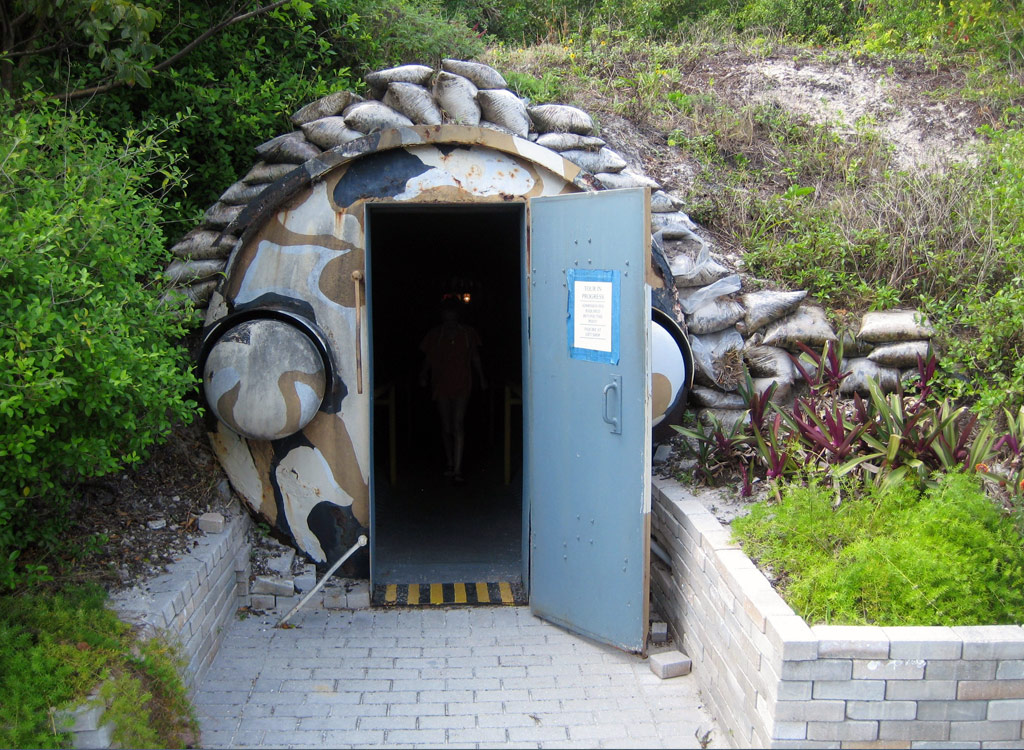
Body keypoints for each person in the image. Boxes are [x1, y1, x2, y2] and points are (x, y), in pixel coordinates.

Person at [419, 301, 487, 483]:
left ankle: (457, 468)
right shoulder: (435, 335)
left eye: (453, 318)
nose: (450, 321)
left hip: (462, 383)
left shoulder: (468, 334)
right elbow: (428, 358)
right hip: (441, 384)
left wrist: (482, 378)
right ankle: (450, 462)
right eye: (447, 318)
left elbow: (475, 357)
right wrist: (423, 375)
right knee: (446, 426)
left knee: (457, 424)